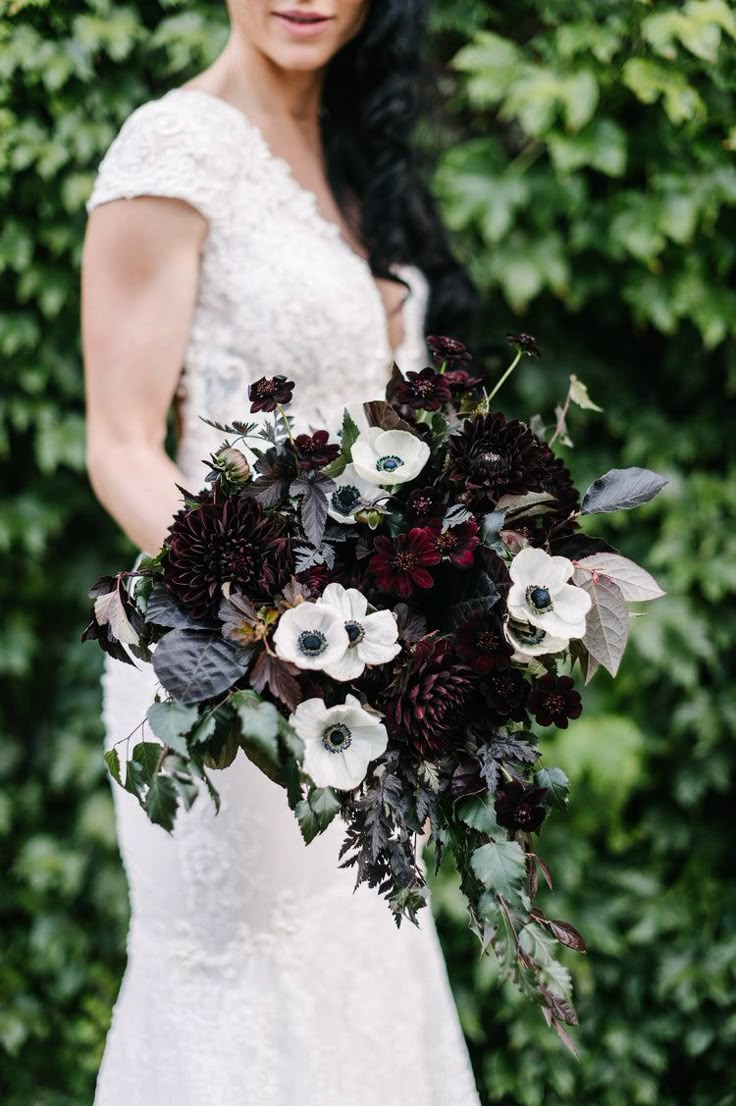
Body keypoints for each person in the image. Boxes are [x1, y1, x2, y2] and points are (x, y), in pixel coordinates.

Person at [81, 2, 481, 1103]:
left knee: (361, 981)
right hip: (232, 677)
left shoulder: (355, 146)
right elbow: (118, 444)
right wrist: (280, 628)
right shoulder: (171, 147)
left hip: (362, 688)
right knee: (241, 1006)